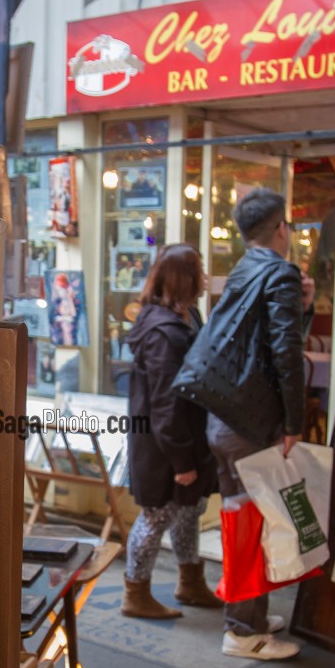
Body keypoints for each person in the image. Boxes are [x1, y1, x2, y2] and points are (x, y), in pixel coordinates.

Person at [173, 188, 313, 661]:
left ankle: (247, 616)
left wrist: (303, 305)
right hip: (252, 425)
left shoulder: (245, 270)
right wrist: (295, 422)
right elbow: (285, 354)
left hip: (225, 418)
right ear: (281, 229)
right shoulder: (280, 272)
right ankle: (243, 631)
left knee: (243, 520)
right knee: (255, 524)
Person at [121, 244, 221, 619]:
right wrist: (182, 460)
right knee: (157, 516)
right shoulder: (164, 331)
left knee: (188, 510)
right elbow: (166, 403)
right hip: (165, 444)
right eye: (199, 271)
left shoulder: (184, 316)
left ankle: (190, 582)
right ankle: (135, 592)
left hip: (181, 437)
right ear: (186, 279)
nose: (205, 277)